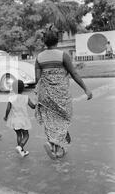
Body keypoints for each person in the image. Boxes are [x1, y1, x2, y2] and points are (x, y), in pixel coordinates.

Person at [35, 26, 93, 160]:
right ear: (57, 40)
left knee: (51, 121)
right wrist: (86, 89)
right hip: (61, 95)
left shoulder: (39, 58)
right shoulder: (63, 55)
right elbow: (74, 73)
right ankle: (52, 144)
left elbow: (37, 79)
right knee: (64, 119)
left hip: (45, 95)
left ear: (44, 41)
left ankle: (56, 148)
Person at [4, 80, 35, 157]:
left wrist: (6, 116)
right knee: (26, 135)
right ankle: (20, 147)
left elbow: (8, 109)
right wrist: (37, 104)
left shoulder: (11, 98)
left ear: (13, 89)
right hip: (23, 120)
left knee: (18, 135)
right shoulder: (26, 98)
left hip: (14, 120)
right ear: (23, 88)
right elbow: (33, 106)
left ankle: (22, 151)